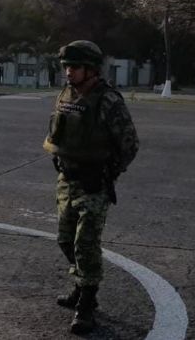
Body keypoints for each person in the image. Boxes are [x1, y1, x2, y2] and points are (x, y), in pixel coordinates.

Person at [43, 40, 139, 334]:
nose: (69, 72)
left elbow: (129, 144)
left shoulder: (108, 100)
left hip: (93, 182)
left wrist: (110, 172)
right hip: (67, 179)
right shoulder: (67, 94)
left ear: (91, 69)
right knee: (64, 239)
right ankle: (80, 284)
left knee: (85, 243)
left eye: (74, 67)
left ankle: (86, 303)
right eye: (66, 67)